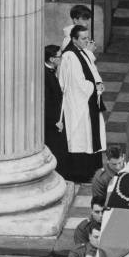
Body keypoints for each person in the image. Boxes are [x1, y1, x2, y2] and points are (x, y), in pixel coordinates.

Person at [59, 25, 106, 182]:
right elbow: (77, 83)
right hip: (78, 103)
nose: (87, 41)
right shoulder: (70, 56)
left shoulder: (82, 51)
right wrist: (95, 86)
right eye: (84, 38)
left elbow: (91, 70)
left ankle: (93, 169)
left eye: (88, 37)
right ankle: (80, 173)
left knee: (89, 135)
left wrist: (98, 82)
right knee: (80, 136)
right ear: (74, 39)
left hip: (87, 101)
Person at [44, 45, 69, 179]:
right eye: (60, 56)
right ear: (52, 59)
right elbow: (47, 103)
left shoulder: (51, 71)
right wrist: (55, 122)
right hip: (51, 122)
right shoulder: (45, 75)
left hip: (55, 119)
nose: (62, 59)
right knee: (56, 150)